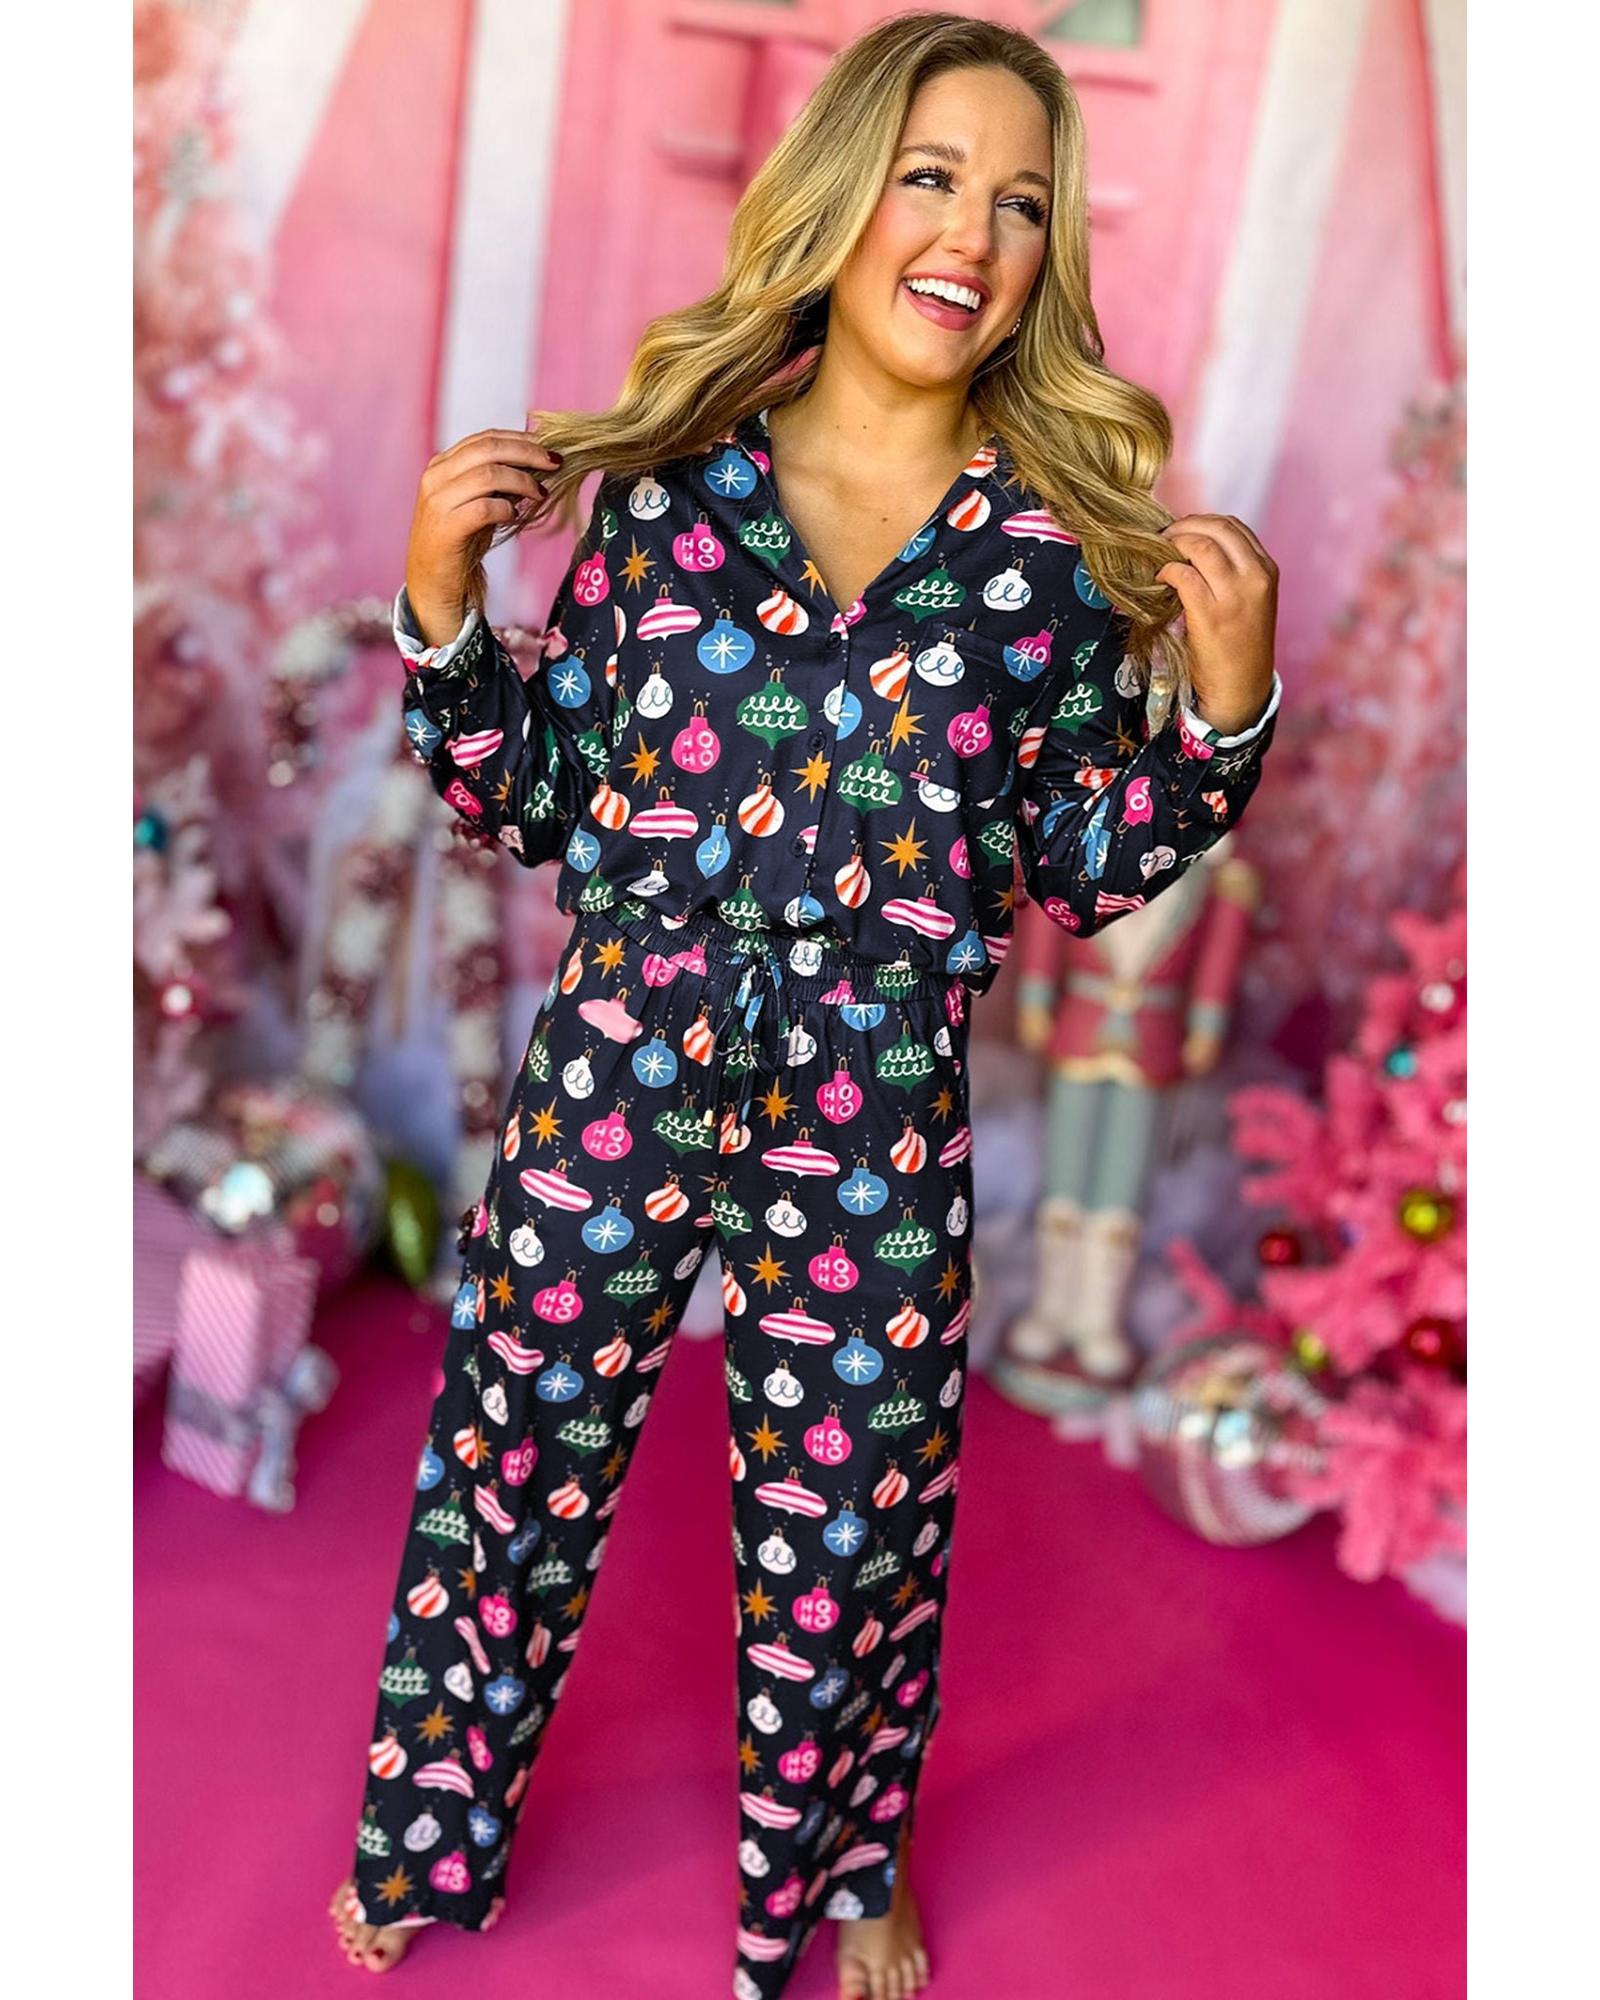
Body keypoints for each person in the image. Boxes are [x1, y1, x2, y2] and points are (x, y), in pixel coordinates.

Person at [329, 14, 1281, 1998]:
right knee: (513, 1454)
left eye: (1022, 201)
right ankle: (428, 1830)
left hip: (875, 1105)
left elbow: (1081, 864)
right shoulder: (670, 493)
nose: (973, 235)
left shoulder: (1049, 557)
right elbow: (533, 797)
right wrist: (439, 605)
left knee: (855, 1523)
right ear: (842, 198)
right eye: (931, 176)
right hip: (621, 1066)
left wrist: (1224, 706)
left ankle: (836, 1867)